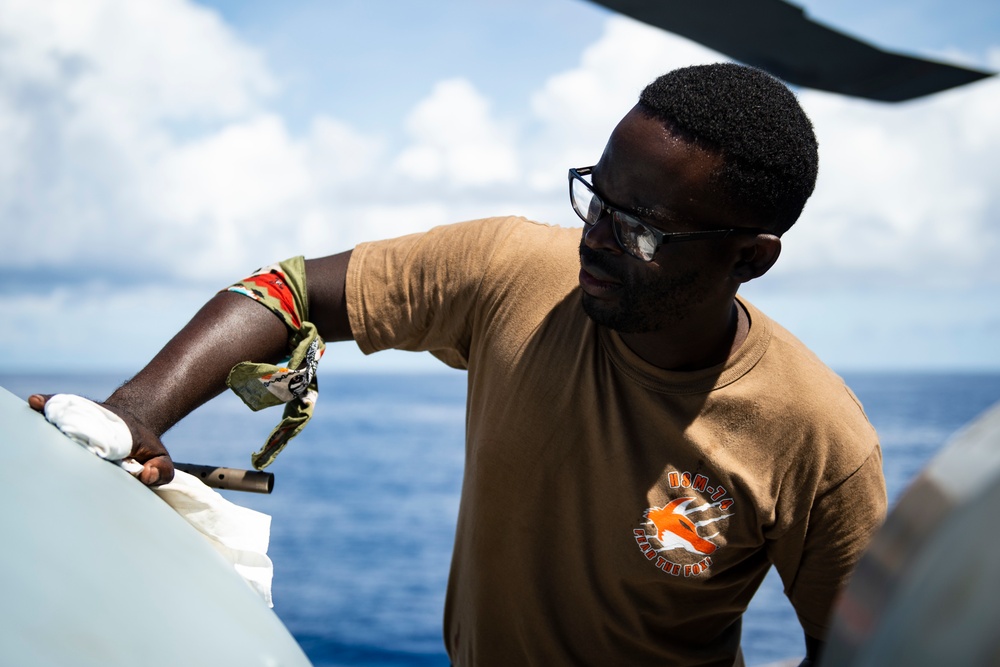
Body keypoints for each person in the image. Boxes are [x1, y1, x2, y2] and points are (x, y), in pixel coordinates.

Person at [30, 63, 886, 666]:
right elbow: (289, 291)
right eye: (598, 196)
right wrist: (135, 410)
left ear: (750, 258)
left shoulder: (815, 435)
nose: (596, 238)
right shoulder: (514, 270)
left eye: (644, 229)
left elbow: (864, 650)